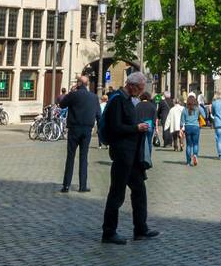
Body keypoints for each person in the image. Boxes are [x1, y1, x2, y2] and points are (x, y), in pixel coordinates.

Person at [100, 71, 156, 244]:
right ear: (130, 85)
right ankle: (108, 232)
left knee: (139, 190)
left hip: (132, 156)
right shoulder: (117, 100)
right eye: (139, 88)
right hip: (122, 154)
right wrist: (136, 128)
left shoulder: (129, 101)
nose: (140, 92)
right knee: (117, 193)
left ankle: (140, 228)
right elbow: (115, 127)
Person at [59, 76, 99, 193]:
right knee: (84, 157)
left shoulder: (73, 95)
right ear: (87, 84)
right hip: (87, 130)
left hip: (74, 129)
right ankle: (82, 185)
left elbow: (62, 104)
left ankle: (66, 185)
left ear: (79, 83)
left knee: (70, 157)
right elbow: (98, 114)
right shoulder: (94, 97)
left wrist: (71, 91)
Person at [180, 94, 202, 166]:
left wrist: (181, 129)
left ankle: (188, 162)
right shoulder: (197, 108)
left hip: (188, 127)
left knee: (189, 145)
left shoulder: (184, 109)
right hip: (196, 127)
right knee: (196, 144)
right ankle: (195, 155)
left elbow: (182, 121)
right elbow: (204, 115)